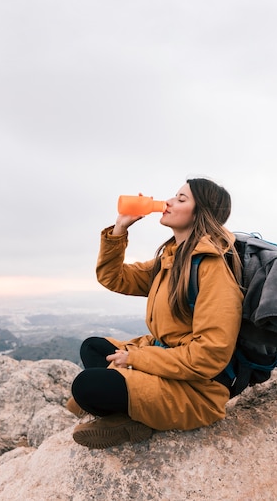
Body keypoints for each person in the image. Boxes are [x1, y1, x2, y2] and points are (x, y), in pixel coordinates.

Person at [67, 177, 244, 449]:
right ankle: (131, 407)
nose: (169, 201)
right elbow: (114, 277)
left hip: (197, 388)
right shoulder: (172, 258)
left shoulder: (212, 269)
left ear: (201, 213)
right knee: (93, 347)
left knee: (87, 387)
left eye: (181, 199)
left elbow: (209, 357)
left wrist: (136, 359)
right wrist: (120, 228)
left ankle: (132, 419)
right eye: (174, 196)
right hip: (168, 364)